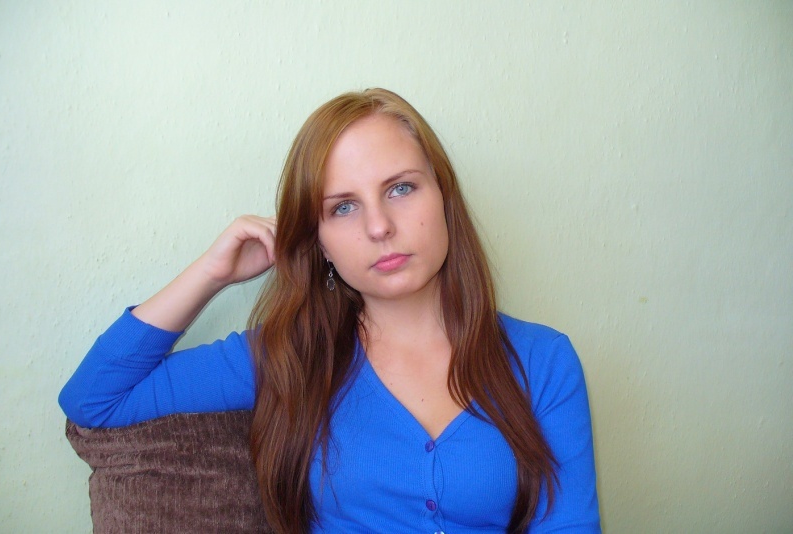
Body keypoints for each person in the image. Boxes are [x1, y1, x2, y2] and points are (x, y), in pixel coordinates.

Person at [59, 88, 600, 533]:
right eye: (343, 207)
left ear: (444, 198)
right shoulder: (289, 355)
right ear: (318, 241)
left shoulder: (543, 360)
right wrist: (211, 273)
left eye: (401, 188)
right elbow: (95, 400)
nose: (379, 226)